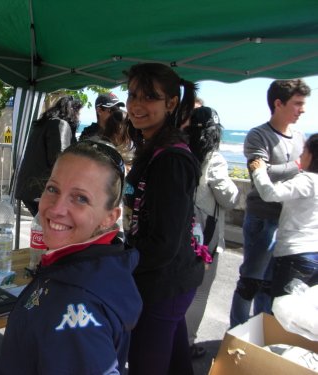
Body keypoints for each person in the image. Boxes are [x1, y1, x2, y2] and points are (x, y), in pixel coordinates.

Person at [0, 140, 142, 375]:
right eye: (53, 189)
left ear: (109, 217)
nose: (55, 209)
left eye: (81, 198)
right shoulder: (100, 262)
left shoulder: (77, 309)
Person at [123, 62, 204, 375]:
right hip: (171, 279)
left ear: (171, 103)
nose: (136, 105)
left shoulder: (170, 158)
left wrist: (119, 264)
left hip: (163, 283)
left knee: (147, 365)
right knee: (175, 362)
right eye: (132, 95)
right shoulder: (155, 146)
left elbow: (164, 243)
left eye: (149, 97)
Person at [229, 78, 311, 328]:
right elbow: (260, 173)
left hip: (289, 222)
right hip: (263, 219)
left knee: (271, 285)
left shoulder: (299, 137)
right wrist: (297, 166)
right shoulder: (258, 135)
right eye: (297, 103)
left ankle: (259, 336)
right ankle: (237, 333)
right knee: (250, 282)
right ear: (278, 103)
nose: (303, 109)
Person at [183, 106, 239, 358]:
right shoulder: (214, 158)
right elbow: (228, 197)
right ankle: (187, 343)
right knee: (199, 292)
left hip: (181, 229)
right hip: (205, 236)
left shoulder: (180, 152)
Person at [249, 134, 318, 297]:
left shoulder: (307, 180)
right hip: (314, 255)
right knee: (299, 315)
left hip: (296, 255)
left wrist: (259, 170)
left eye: (304, 151)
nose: (300, 156)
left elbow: (269, 193)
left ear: (313, 155)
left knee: (282, 311)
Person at [15, 96, 82, 216]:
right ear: (73, 110)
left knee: (43, 227)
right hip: (42, 190)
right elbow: (61, 161)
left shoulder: (43, 124)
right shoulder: (60, 125)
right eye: (78, 112)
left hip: (28, 189)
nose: (78, 117)